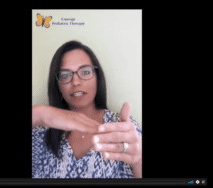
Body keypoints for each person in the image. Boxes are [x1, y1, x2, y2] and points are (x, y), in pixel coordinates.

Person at [32, 40, 142, 178]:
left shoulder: (121, 127)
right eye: (65, 75)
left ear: (97, 77)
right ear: (58, 85)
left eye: (85, 71)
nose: (76, 81)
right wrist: (39, 114)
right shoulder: (40, 133)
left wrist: (138, 161)